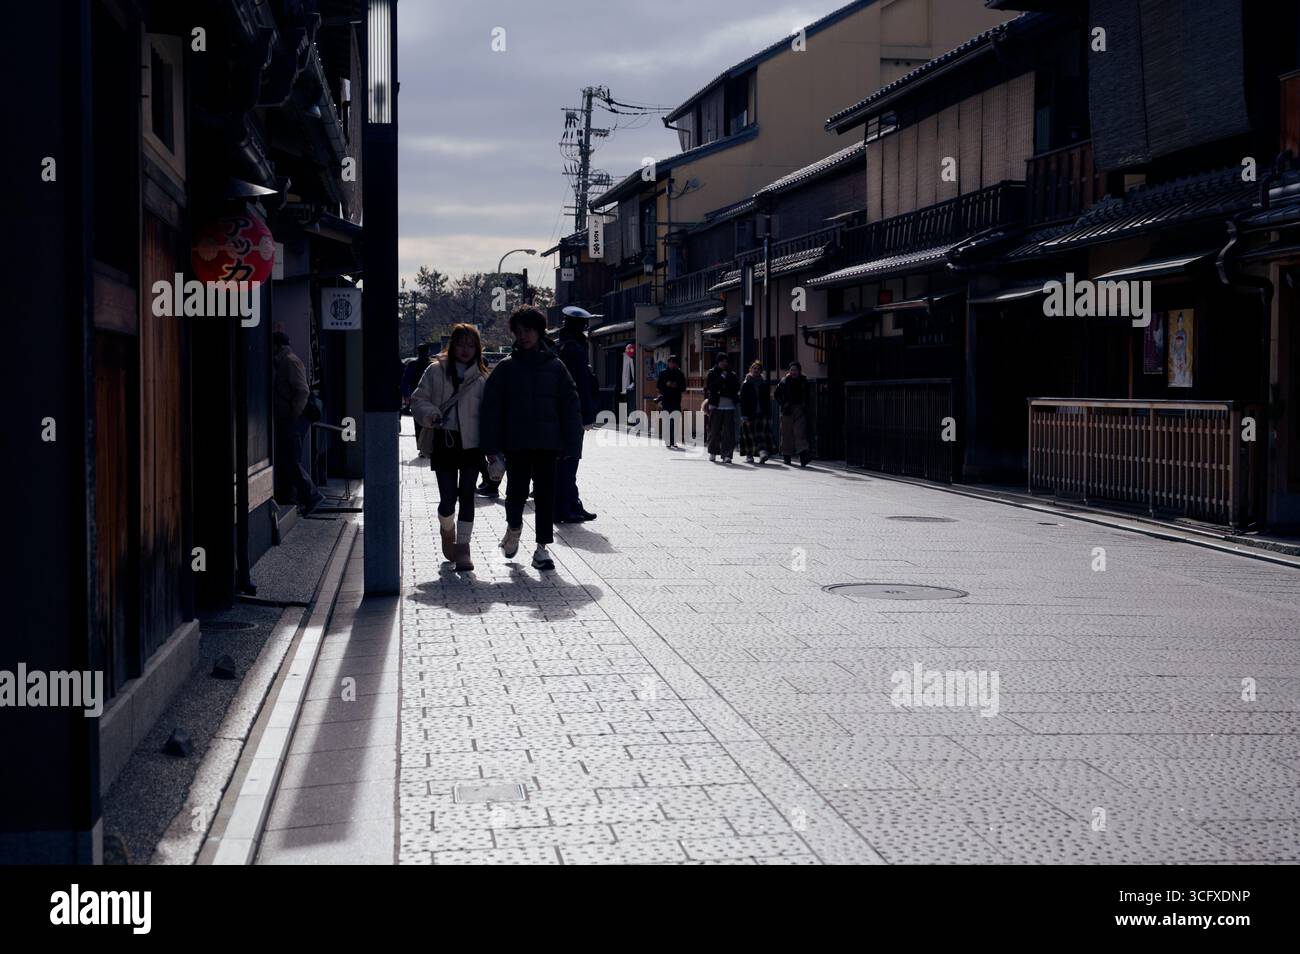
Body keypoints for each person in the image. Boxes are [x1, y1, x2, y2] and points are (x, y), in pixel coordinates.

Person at [479, 306, 583, 571]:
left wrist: (572, 444)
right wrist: (491, 447)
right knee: (516, 492)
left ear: (539, 332)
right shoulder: (506, 368)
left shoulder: (556, 367)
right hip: (516, 443)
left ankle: (541, 549)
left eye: (529, 331)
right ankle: (514, 528)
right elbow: (490, 409)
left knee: (545, 496)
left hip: (549, 444)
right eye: (519, 331)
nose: (524, 336)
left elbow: (571, 406)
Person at [410, 325, 488, 572]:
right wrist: (431, 414)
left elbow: (490, 413)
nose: (465, 350)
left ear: (477, 348)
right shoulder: (435, 371)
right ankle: (447, 529)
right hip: (444, 440)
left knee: (467, 494)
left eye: (470, 345)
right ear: (452, 345)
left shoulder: (482, 378)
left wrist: (495, 449)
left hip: (472, 444)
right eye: (461, 344)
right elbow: (418, 400)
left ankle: (463, 547)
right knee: (447, 498)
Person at [554, 306, 599, 523]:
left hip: (560, 410)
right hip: (572, 412)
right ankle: (565, 507)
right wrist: (588, 415)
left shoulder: (560, 345)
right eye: (583, 324)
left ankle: (572, 503)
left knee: (565, 461)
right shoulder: (574, 349)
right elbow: (582, 385)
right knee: (569, 460)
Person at [272, 330, 323, 512]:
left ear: (277, 346)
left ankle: (312, 495)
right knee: (288, 458)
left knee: (291, 459)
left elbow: (302, 391)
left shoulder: (290, 362)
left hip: (293, 418)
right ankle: (293, 497)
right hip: (290, 418)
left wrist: (294, 414)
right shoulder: (285, 361)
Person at [774, 361, 812, 467]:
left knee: (799, 432)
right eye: (791, 370)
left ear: (799, 371)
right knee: (786, 433)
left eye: (795, 370)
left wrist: (806, 406)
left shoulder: (804, 381)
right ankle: (787, 456)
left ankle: (803, 456)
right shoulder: (784, 381)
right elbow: (776, 394)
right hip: (787, 410)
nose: (793, 372)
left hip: (800, 409)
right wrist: (783, 403)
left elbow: (808, 396)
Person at [704, 352, 739, 463]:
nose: (725, 363)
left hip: (729, 406)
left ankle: (727, 455)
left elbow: (735, 387)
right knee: (714, 430)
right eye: (722, 361)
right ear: (718, 362)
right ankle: (713, 452)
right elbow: (711, 387)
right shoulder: (712, 373)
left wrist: (725, 387)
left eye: (726, 361)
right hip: (715, 405)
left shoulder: (732, 374)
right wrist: (722, 378)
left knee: (728, 431)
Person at [738, 361, 772, 464]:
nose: (756, 370)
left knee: (760, 433)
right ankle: (749, 455)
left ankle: (762, 453)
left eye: (758, 368)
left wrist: (768, 412)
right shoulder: (746, 384)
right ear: (750, 370)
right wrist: (743, 414)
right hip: (749, 413)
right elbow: (742, 400)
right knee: (749, 434)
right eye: (754, 368)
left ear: (760, 371)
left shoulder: (764, 383)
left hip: (761, 412)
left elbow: (767, 399)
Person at [402, 343, 432, 453]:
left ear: (418, 352)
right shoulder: (432, 365)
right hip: (431, 398)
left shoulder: (412, 364)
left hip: (416, 398)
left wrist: (406, 396)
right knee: (431, 423)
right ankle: (430, 446)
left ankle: (421, 448)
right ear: (428, 351)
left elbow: (405, 381)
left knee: (418, 424)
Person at [656, 354, 686, 448]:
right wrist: (666, 385)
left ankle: (674, 441)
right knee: (667, 421)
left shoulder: (680, 374)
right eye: (671, 362)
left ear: (677, 364)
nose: (672, 364)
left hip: (676, 400)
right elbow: (658, 386)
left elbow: (684, 387)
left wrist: (676, 386)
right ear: (668, 363)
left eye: (674, 363)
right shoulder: (663, 373)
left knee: (675, 421)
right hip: (666, 400)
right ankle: (667, 440)